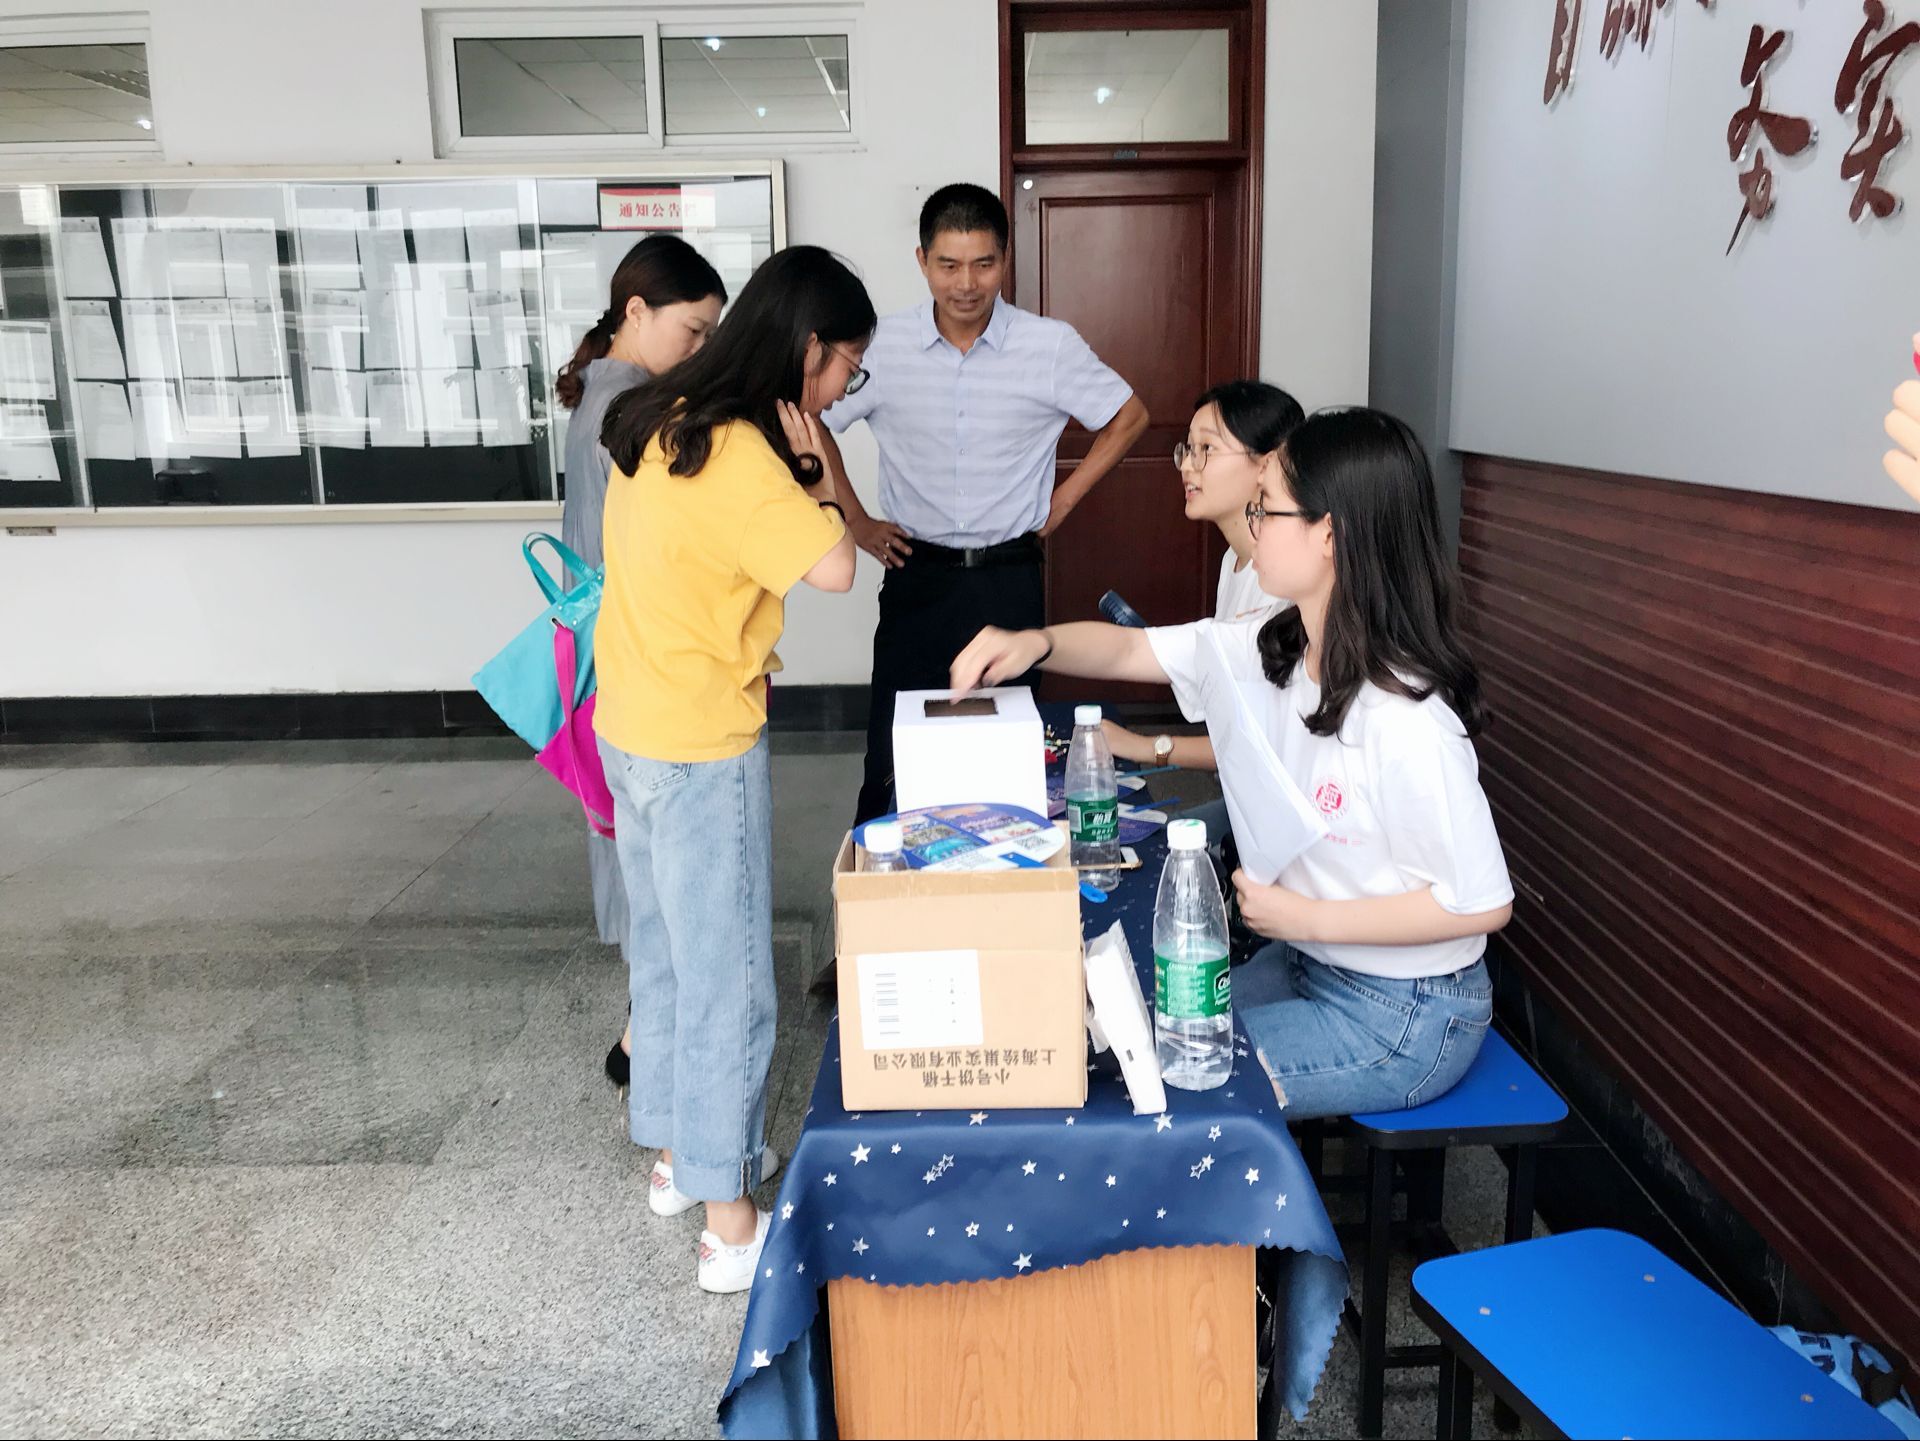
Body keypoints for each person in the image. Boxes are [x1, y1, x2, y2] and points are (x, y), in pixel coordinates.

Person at [951, 406, 1515, 1118]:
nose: (1253, 525)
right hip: (1311, 966)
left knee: (1166, 1081)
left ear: (1330, 535)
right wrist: (1037, 643)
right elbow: (1131, 649)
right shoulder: (1276, 644)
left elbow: (1480, 903)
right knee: (1128, 1046)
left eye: (1266, 509)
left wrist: (1307, 917)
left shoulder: (1403, 716)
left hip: (1405, 1015)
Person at [595, 245, 868, 1291]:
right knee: (729, 983)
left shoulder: (663, 417)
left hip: (632, 723)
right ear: (809, 350)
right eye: (845, 369)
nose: (840, 392)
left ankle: (677, 1156)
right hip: (702, 743)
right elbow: (834, 566)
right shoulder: (745, 452)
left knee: (667, 955)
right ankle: (729, 1220)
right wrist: (816, 472)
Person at [814, 181, 1151, 823]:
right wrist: (853, 519)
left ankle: (1003, 870)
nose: (966, 284)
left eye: (983, 264)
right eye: (948, 265)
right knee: (893, 750)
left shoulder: (1048, 346)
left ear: (1005, 259)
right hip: (916, 577)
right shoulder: (882, 346)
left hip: (1008, 579)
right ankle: (880, 873)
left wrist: (1063, 501)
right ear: (922, 261)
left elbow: (1129, 416)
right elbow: (815, 418)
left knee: (1004, 748)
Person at [553, 235, 727, 1090]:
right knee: (655, 857)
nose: (699, 350)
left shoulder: (604, 390)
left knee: (634, 839)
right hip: (631, 652)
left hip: (600, 646)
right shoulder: (629, 408)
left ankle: (643, 1031)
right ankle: (646, 1037)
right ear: (636, 311)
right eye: (692, 331)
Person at [1102, 380, 1304, 774]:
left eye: (1206, 449)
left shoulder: (1288, 579)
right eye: (1188, 448)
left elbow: (1267, 742)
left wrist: (1144, 746)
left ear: (1268, 464)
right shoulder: (1234, 560)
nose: (1187, 465)